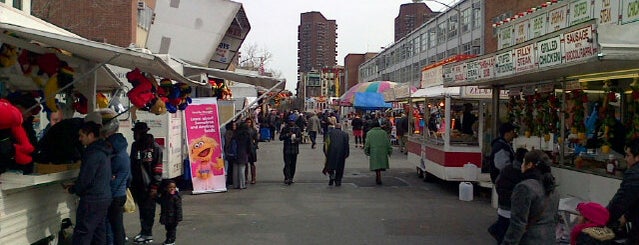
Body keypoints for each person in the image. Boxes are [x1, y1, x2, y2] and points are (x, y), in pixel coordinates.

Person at [65, 121, 112, 245]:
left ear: (91, 135)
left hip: (92, 199)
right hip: (104, 196)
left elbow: (86, 179)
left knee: (83, 233)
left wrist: (74, 189)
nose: (80, 139)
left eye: (82, 135)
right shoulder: (103, 150)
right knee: (99, 232)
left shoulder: (92, 153)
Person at [87, 109, 130, 245]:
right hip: (120, 193)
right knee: (117, 225)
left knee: (110, 225)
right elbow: (129, 177)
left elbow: (107, 175)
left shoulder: (112, 154)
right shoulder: (123, 152)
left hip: (112, 194)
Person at [502, 150, 559, 245]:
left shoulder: (524, 187)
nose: (521, 165)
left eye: (524, 162)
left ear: (529, 165)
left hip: (530, 239)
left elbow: (518, 223)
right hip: (549, 238)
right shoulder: (552, 188)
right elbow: (554, 218)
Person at [130, 122, 163, 244]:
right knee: (142, 210)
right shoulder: (135, 146)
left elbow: (158, 168)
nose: (134, 135)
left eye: (136, 132)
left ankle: (147, 233)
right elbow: (132, 164)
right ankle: (143, 232)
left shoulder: (154, 147)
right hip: (137, 184)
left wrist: (155, 186)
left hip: (149, 185)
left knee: (149, 210)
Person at [488, 148, 527, 244]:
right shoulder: (525, 174)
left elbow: (497, 183)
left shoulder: (506, 169)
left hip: (503, 209)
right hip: (517, 212)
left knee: (503, 235)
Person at [607, 138, 639, 244]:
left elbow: (619, 203)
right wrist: (626, 216)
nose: (625, 159)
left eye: (628, 155)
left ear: (637, 157)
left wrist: (601, 219)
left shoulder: (634, 175)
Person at [364, 120, 392, 185]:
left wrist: (366, 151)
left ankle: (378, 176)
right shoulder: (384, 132)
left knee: (376, 164)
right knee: (380, 164)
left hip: (374, 151)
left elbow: (367, 143)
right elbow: (387, 142)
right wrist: (389, 151)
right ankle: (378, 177)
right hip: (382, 151)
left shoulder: (369, 133)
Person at [158, 180, 183, 245]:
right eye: (170, 187)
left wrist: (179, 217)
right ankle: (168, 239)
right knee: (168, 229)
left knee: (172, 230)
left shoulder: (176, 197)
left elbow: (179, 208)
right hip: (166, 216)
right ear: (166, 188)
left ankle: (171, 240)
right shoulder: (164, 196)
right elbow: (160, 202)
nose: (172, 189)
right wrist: (155, 197)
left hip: (173, 217)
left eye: (174, 187)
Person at [279, 115, 302, 185]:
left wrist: (297, 139)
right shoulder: (285, 128)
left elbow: (300, 138)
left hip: (294, 149)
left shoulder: (297, 128)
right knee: (287, 164)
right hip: (287, 149)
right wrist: (287, 135)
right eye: (290, 121)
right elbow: (281, 138)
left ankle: (291, 177)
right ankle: (287, 177)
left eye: (293, 121)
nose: (291, 122)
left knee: (293, 164)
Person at [232, 122, 252, 189]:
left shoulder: (235, 133)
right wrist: (249, 152)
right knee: (242, 169)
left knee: (235, 169)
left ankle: (235, 184)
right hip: (243, 152)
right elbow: (249, 145)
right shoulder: (246, 134)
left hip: (234, 152)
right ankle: (242, 184)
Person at [244, 118, 259, 184]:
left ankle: (253, 178)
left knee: (252, 163)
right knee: (245, 163)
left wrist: (255, 145)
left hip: (252, 148)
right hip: (245, 148)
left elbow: (256, 139)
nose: (248, 124)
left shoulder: (253, 130)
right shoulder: (243, 130)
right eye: (247, 122)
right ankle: (245, 178)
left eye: (249, 122)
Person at [223, 122, 237, 186]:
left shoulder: (228, 132)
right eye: (233, 125)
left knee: (230, 166)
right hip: (230, 152)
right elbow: (228, 143)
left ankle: (230, 180)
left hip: (228, 151)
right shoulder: (230, 133)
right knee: (230, 167)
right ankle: (230, 180)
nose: (235, 126)